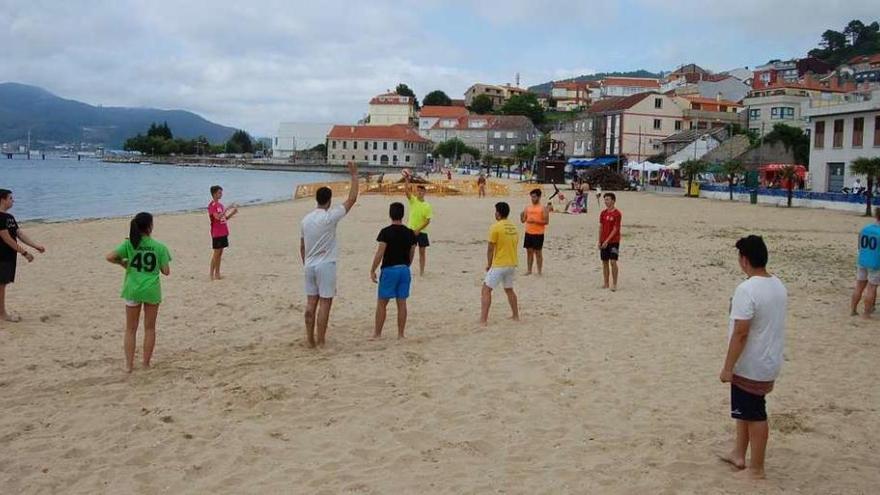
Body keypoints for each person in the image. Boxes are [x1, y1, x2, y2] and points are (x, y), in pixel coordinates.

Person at [719, 235, 787, 480]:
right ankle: (739, 453)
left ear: (744, 259)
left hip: (752, 364)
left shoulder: (747, 289)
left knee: (755, 413)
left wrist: (728, 367)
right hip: (768, 359)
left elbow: (741, 332)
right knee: (744, 411)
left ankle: (757, 468)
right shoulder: (777, 284)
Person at [300, 161, 359, 348]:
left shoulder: (306, 219)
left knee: (311, 303)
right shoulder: (329, 217)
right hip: (326, 264)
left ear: (316, 199)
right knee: (325, 303)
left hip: (309, 264)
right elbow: (351, 199)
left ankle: (310, 340)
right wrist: (354, 175)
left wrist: (305, 262)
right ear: (329, 200)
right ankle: (321, 339)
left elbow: (302, 246)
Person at [105, 212, 172, 373]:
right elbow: (166, 271)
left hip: (133, 288)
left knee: (130, 329)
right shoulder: (159, 247)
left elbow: (110, 257)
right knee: (149, 328)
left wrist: (124, 264)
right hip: (151, 289)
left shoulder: (129, 244)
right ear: (150, 226)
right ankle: (146, 363)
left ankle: (128, 365)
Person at [370, 202, 417, 339]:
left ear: (390, 214)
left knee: (382, 303)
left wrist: (373, 269)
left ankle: (377, 333)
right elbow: (412, 252)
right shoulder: (410, 233)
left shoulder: (385, 232)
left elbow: (380, 253)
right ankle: (401, 334)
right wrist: (407, 264)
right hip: (404, 269)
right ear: (403, 215)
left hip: (389, 269)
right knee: (401, 303)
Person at [0, 189, 46, 322]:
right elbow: (6, 238)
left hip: (8, 256)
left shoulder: (9, 217)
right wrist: (24, 253)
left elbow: (19, 234)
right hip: (2, 257)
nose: (13, 200)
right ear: (3, 199)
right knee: (1, 285)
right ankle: (2, 314)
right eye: (10, 198)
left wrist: (35, 246)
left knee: (3, 284)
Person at [480, 202, 519, 325]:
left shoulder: (496, 227)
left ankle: (483, 320)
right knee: (509, 289)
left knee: (486, 290)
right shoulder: (513, 227)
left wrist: (489, 263)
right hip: (512, 263)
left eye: (496, 211)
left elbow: (490, 248)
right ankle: (515, 315)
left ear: (498, 213)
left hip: (500, 264)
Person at [851, 207, 880, 318]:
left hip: (862, 260)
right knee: (872, 288)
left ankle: (853, 310)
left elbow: (859, 246)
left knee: (859, 286)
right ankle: (867, 313)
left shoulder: (865, 229)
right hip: (876, 263)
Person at [208, 185, 239, 280]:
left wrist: (232, 213)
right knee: (216, 253)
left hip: (223, 232)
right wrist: (227, 208)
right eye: (219, 193)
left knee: (220, 253)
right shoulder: (212, 205)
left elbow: (224, 218)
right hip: (216, 233)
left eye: (221, 192)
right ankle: (211, 274)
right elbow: (216, 217)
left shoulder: (221, 205)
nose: (221, 194)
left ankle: (217, 273)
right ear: (214, 194)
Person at [404, 175, 433, 276]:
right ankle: (407, 268)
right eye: (418, 191)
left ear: (424, 192)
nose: (419, 193)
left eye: (421, 191)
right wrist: (407, 180)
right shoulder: (413, 201)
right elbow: (407, 192)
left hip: (422, 232)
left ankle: (422, 271)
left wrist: (419, 229)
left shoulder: (427, 206)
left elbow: (428, 220)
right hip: (411, 229)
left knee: (422, 252)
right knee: (411, 250)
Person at [520, 188, 549, 275]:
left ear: (539, 197)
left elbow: (546, 221)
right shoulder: (527, 208)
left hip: (538, 233)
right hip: (528, 232)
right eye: (532, 197)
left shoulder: (543, 208)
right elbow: (523, 220)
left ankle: (539, 271)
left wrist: (535, 221)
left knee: (538, 252)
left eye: (534, 197)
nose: (533, 199)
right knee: (529, 252)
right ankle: (529, 270)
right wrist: (521, 216)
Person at [598, 193, 622, 291]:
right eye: (605, 200)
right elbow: (601, 227)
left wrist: (607, 240)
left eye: (608, 199)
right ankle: (606, 283)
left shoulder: (617, 213)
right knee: (604, 262)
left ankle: (615, 283)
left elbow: (616, 228)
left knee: (613, 261)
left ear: (613, 200)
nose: (606, 201)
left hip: (614, 241)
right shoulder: (603, 213)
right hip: (603, 240)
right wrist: (600, 240)